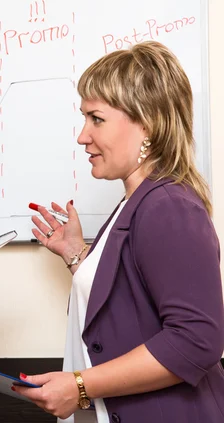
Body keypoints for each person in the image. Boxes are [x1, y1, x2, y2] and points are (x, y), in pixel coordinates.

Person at [12, 41, 224, 422]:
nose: (82, 136)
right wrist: (78, 257)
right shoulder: (137, 202)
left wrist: (80, 385)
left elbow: (197, 341)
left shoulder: (167, 206)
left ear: (147, 123)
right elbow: (132, 307)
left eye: (96, 118)